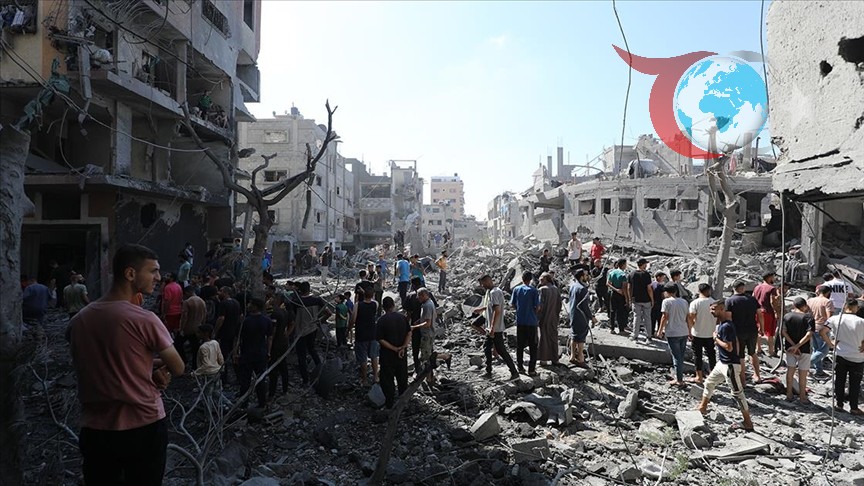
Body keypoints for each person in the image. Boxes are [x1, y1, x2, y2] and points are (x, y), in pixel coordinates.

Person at [67, 244, 184, 485]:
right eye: (153, 271)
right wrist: (156, 367)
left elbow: (110, 359)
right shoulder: (145, 319)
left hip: (95, 430)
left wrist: (146, 365)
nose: (158, 277)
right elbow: (178, 367)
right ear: (130, 274)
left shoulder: (79, 321)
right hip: (144, 425)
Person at [696, 300, 753, 432]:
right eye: (711, 309)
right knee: (709, 382)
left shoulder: (726, 326)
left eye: (713, 309)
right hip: (722, 363)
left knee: (737, 394)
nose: (711, 311)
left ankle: (748, 422)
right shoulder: (722, 325)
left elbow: (729, 346)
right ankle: (703, 407)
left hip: (729, 365)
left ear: (722, 309)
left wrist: (715, 339)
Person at [474, 274, 519, 380]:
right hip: (491, 327)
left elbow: (497, 311)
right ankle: (488, 371)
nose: (482, 286)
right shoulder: (490, 292)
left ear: (488, 281)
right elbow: (490, 306)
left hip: (495, 327)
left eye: (483, 284)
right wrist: (481, 309)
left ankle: (514, 372)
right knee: (487, 348)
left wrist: (492, 328)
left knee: (501, 350)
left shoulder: (494, 292)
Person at [827, 299, 864, 415]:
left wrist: (830, 344)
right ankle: (854, 408)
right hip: (858, 356)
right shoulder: (861, 321)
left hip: (841, 354)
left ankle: (839, 404)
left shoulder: (835, 319)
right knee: (855, 383)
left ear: (844, 307)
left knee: (839, 380)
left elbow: (822, 331)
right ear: (856, 308)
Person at [291, 281, 331, 386]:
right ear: (309, 289)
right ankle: (320, 371)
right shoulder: (317, 300)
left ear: (300, 290)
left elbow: (293, 318)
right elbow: (329, 313)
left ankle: (305, 380)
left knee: (301, 356)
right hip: (313, 329)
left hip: (300, 331)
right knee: (312, 350)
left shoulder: (296, 302)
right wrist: (320, 321)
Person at [235, 298, 273, 409]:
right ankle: (262, 403)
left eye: (250, 304)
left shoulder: (245, 321)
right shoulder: (267, 320)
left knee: (245, 381)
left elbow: (238, 339)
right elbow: (270, 337)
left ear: (255, 306)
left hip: (246, 354)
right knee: (260, 379)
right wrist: (268, 352)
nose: (248, 305)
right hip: (261, 353)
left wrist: (235, 353)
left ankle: (243, 404)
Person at [726, 281, 764, 384]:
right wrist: (762, 328)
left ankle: (742, 381)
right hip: (752, 329)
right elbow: (760, 314)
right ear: (743, 288)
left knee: (740, 355)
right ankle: (757, 376)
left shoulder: (730, 301)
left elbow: (729, 318)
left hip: (738, 331)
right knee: (752, 353)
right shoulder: (752, 299)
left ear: (733, 288)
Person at [377, 297, 412, 408]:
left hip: (387, 356)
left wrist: (394, 348)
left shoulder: (381, 320)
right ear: (393, 305)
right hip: (401, 355)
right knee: (402, 379)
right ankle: (403, 403)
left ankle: (390, 404)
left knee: (387, 381)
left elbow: (380, 339)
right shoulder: (402, 318)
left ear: (383, 307)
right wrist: (403, 347)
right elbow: (409, 333)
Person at [781, 297, 814, 404]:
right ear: (805, 306)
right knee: (802, 374)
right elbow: (809, 334)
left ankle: (789, 394)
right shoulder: (808, 317)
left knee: (790, 371)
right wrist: (798, 346)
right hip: (804, 349)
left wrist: (793, 345)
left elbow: (783, 332)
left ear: (794, 305)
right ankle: (802, 397)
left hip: (790, 349)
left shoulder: (787, 316)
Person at [657, 284, 690, 386]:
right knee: (680, 356)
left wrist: (659, 330)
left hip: (672, 332)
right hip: (684, 331)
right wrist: (690, 331)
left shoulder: (666, 302)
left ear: (667, 292)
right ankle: (680, 377)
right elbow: (688, 317)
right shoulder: (684, 302)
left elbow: (664, 317)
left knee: (676, 357)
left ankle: (679, 380)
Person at [510, 271, 540, 375]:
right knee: (533, 346)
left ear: (522, 279)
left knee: (520, 345)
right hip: (531, 322)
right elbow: (537, 307)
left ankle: (520, 367)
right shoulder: (534, 291)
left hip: (520, 321)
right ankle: (531, 369)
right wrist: (533, 313)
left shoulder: (516, 289)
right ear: (530, 279)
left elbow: (512, 304)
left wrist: (519, 310)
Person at [350, 287, 380, 386]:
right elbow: (372, 299)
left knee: (363, 358)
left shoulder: (358, 305)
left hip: (361, 333)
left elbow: (353, 319)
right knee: (374, 356)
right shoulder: (375, 304)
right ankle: (376, 377)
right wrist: (366, 293)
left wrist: (349, 329)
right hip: (373, 333)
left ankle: (365, 380)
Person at [214, 286, 243, 386]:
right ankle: (239, 377)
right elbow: (241, 316)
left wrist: (215, 331)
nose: (219, 293)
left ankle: (224, 379)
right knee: (234, 355)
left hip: (224, 334)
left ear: (226, 293)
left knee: (223, 356)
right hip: (234, 333)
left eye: (221, 291)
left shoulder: (223, 304)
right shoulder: (236, 303)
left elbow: (221, 318)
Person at [568, 269, 597, 367]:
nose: (587, 277)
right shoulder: (582, 289)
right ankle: (580, 358)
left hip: (573, 314)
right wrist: (591, 317)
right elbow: (585, 306)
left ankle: (572, 356)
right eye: (586, 275)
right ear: (581, 277)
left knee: (574, 335)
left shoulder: (572, 286)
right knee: (581, 337)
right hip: (581, 316)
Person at [688, 283, 717, 383]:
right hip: (711, 333)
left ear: (699, 291)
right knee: (711, 355)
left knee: (697, 355)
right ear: (709, 290)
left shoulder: (695, 303)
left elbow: (691, 317)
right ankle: (713, 377)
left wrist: (691, 329)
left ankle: (699, 377)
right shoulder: (714, 303)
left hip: (697, 333)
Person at [268, 293, 293, 400]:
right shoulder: (285, 312)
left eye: (273, 297)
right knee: (283, 366)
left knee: (273, 369)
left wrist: (268, 349)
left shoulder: (275, 313)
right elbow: (292, 323)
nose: (271, 299)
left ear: (278, 300)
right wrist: (287, 334)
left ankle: (271, 393)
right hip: (283, 343)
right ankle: (285, 389)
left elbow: (272, 333)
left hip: (276, 344)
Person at [192, 324, 223, 409]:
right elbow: (220, 357)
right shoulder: (215, 343)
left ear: (205, 333)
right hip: (217, 371)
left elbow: (206, 365)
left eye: (199, 332)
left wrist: (195, 373)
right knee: (217, 392)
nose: (197, 334)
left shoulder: (203, 347)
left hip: (209, 374)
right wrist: (221, 367)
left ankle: (208, 413)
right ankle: (221, 407)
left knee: (207, 395)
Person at [807, 285, 835, 378]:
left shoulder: (810, 300)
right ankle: (804, 366)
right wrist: (831, 328)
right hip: (822, 328)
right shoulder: (827, 302)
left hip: (811, 327)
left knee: (816, 350)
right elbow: (829, 318)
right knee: (823, 351)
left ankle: (819, 371)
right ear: (828, 293)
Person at [752, 271, 780, 358]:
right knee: (770, 332)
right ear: (769, 278)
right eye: (773, 277)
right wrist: (776, 311)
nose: (774, 279)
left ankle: (758, 348)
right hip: (767, 312)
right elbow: (772, 301)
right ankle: (770, 351)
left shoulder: (757, 287)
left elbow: (753, 298)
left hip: (757, 311)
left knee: (758, 330)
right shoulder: (772, 288)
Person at [537, 272, 562, 365]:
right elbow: (559, 304)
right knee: (553, 337)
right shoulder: (555, 289)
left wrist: (537, 317)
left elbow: (539, 306)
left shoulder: (542, 290)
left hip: (544, 317)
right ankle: (555, 359)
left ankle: (543, 359)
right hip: (554, 317)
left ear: (546, 279)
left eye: (542, 279)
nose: (540, 280)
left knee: (543, 337)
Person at [412, 288, 437, 384]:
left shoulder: (427, 305)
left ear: (424, 295)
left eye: (419, 296)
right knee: (428, 356)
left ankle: (429, 378)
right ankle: (430, 376)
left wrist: (415, 327)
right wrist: (419, 321)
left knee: (426, 358)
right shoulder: (428, 303)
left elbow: (427, 323)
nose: (418, 298)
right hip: (429, 333)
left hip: (427, 334)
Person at [177, 285, 206, 368]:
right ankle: (195, 365)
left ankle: (183, 361)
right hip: (197, 328)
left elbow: (184, 316)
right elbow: (204, 315)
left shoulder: (187, 302)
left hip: (187, 328)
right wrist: (202, 326)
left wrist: (181, 329)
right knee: (195, 347)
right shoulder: (202, 301)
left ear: (187, 292)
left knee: (177, 344)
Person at [629, 258, 654, 341]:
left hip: (636, 299)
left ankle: (635, 335)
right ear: (643, 264)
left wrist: (630, 298)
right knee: (647, 318)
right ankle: (649, 336)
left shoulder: (632, 274)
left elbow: (629, 287)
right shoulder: (646, 274)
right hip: (646, 300)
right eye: (645, 264)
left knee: (636, 317)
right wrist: (652, 299)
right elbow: (649, 288)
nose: (646, 265)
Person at [607, 258, 630, 335]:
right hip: (621, 294)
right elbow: (624, 287)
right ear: (623, 265)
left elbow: (608, 283)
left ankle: (612, 328)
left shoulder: (612, 272)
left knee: (612, 311)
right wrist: (627, 298)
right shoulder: (623, 274)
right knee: (620, 312)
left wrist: (615, 289)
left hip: (613, 293)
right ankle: (621, 329)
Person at [160, 273, 183, 338]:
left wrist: (164, 313)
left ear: (172, 278)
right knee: (175, 329)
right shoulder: (178, 286)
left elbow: (167, 301)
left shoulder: (168, 287)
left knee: (166, 331)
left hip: (170, 312)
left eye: (168, 276)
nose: (165, 276)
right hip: (178, 311)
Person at [650, 272, 668, 340]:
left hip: (652, 304)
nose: (663, 279)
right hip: (659, 304)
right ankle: (658, 333)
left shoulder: (651, 284)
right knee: (659, 319)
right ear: (658, 277)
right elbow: (663, 295)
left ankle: (651, 332)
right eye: (662, 277)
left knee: (652, 319)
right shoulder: (660, 285)